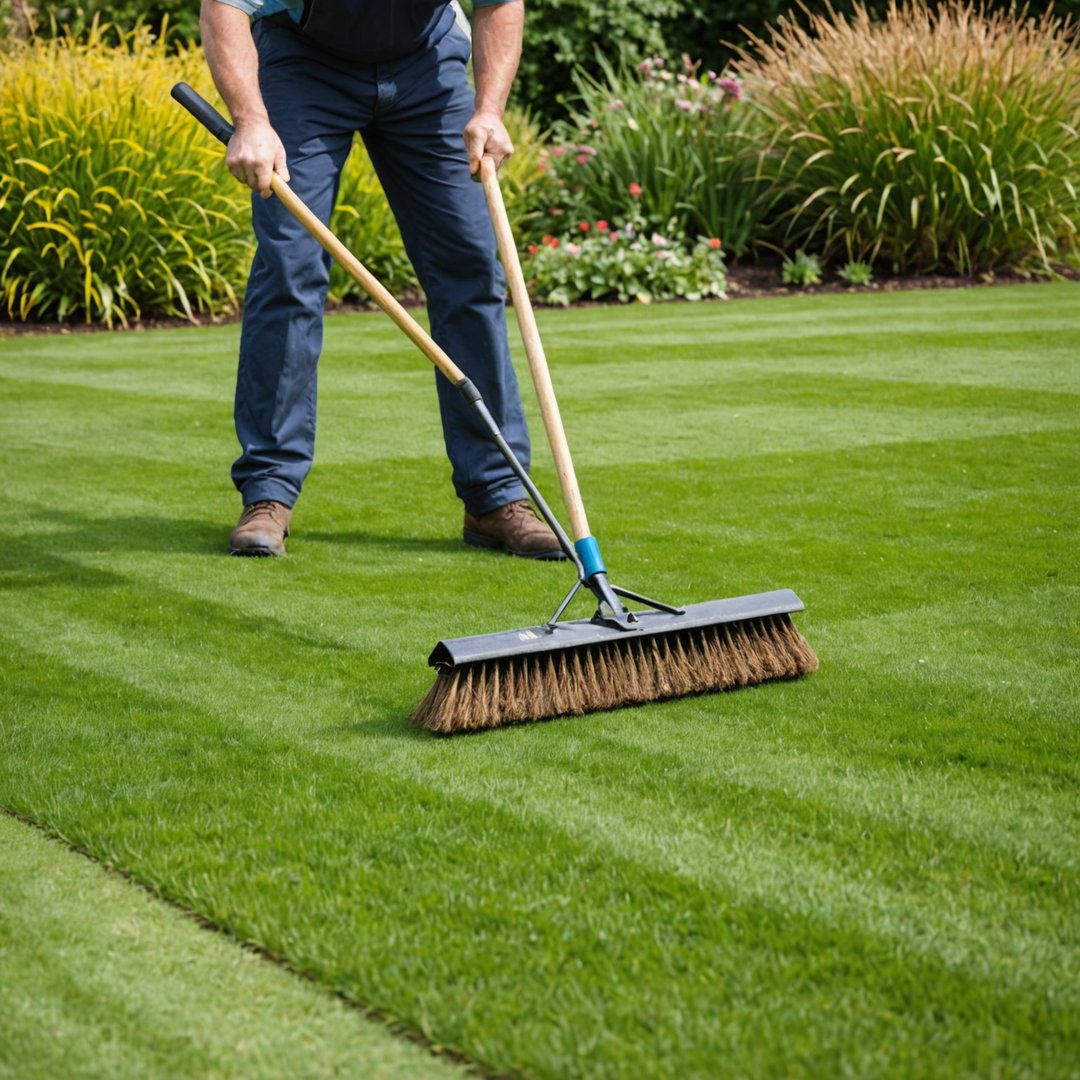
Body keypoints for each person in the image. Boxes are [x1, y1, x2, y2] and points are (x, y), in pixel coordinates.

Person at [198, 0, 564, 560]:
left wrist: (489, 109)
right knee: (291, 265)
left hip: (427, 62)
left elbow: (499, 4)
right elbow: (224, 6)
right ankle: (269, 492)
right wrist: (251, 121)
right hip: (304, 62)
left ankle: (496, 495)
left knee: (469, 265)